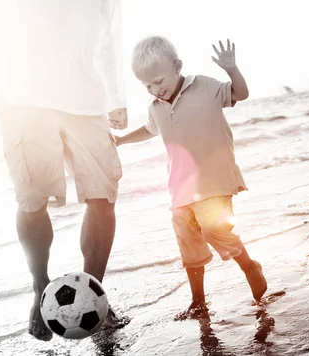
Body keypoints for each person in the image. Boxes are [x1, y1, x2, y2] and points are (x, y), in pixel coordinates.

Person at [0, 0, 128, 340]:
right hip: (24, 99)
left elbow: (107, 32)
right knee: (32, 201)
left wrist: (116, 97)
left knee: (103, 196)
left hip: (86, 98)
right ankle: (39, 289)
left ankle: (92, 294)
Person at [112, 36, 267, 320]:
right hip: (180, 189)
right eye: (147, 86)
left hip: (215, 179)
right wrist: (121, 140)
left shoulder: (205, 86)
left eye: (158, 81)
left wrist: (231, 69)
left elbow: (240, 94)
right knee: (189, 244)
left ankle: (249, 266)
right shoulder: (155, 106)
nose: (154, 89)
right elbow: (149, 129)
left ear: (177, 66)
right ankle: (198, 301)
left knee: (214, 229)